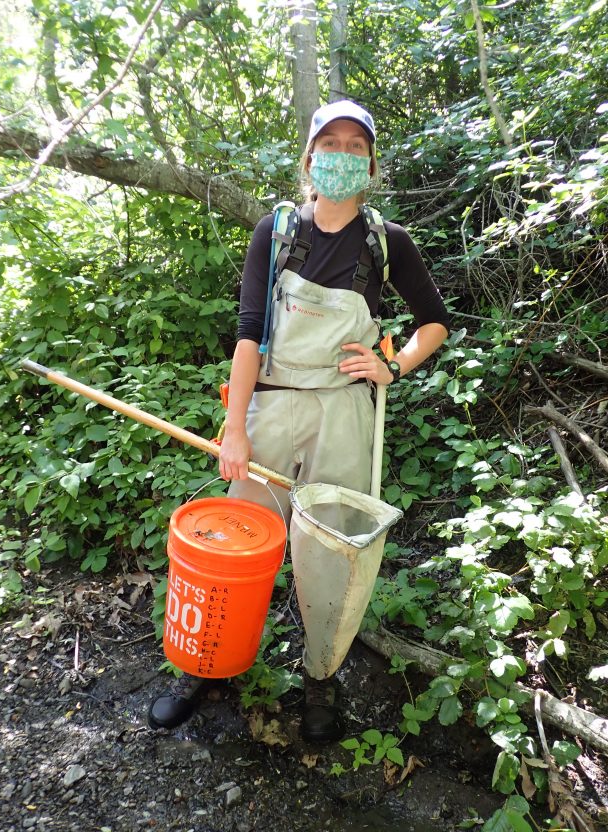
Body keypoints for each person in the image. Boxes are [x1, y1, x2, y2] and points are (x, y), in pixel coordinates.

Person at [148, 100, 450, 741]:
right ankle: (212, 665)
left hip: (343, 411)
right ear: (310, 157)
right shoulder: (277, 230)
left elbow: (433, 323)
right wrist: (235, 429)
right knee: (240, 539)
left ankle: (321, 675)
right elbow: (249, 335)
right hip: (272, 401)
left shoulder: (386, 243)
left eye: (355, 146)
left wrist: (392, 366)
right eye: (330, 143)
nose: (341, 155)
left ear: (369, 164)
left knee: (331, 548)